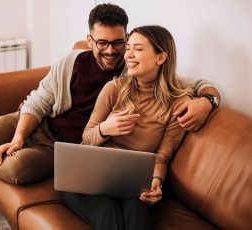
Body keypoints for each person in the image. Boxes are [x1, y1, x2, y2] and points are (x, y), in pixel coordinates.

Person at [0, 3, 220, 217]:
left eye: (118, 42)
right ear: (89, 40)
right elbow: (38, 101)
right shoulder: (70, 62)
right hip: (36, 121)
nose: (112, 51)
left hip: (63, 147)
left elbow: (195, 85)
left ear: (126, 38)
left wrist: (208, 102)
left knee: (16, 170)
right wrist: (18, 137)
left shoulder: (135, 68)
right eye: (102, 43)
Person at [62, 25, 194, 230]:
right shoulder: (114, 89)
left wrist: (156, 181)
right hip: (89, 178)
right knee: (106, 211)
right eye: (128, 47)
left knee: (136, 210)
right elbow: (87, 138)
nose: (128, 55)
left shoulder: (178, 103)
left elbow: (163, 156)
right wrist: (105, 129)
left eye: (138, 49)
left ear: (161, 58)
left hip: (132, 185)